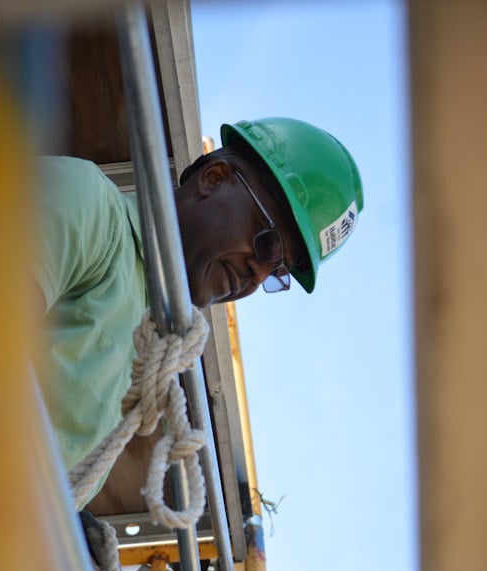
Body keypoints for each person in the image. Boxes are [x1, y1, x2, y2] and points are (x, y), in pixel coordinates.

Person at [35, 117, 363, 500]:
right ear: (215, 178)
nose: (257, 277)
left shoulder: (146, 347)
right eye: (267, 244)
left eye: (277, 271)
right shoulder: (87, 202)